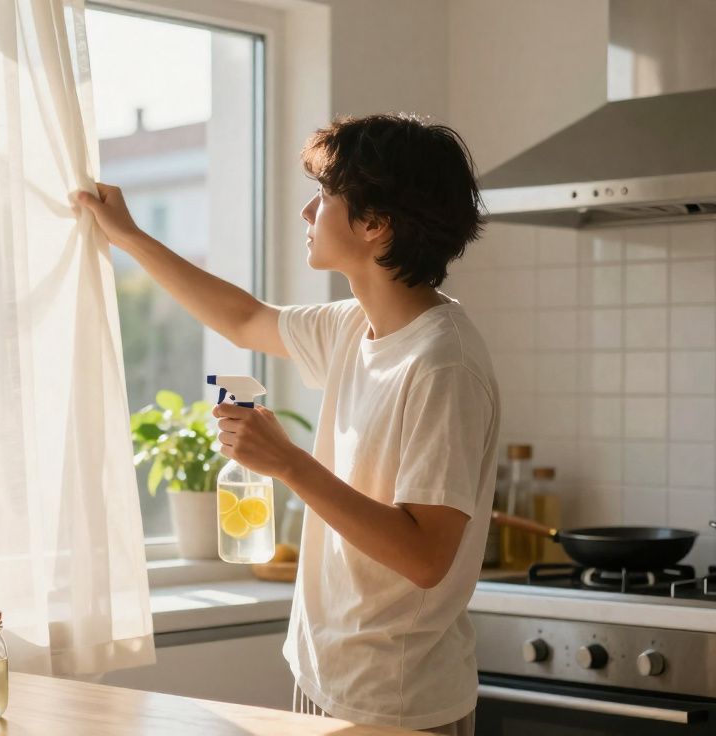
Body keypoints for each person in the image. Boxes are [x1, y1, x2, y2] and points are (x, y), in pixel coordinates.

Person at [76, 113, 498, 735]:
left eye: (326, 195)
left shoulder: (443, 363)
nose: (307, 212)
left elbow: (426, 556)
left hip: (398, 699)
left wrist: (288, 463)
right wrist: (129, 238)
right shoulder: (355, 326)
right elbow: (244, 319)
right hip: (325, 675)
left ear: (376, 224)